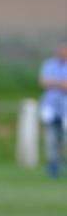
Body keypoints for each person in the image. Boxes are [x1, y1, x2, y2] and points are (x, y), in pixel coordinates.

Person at [39, 41, 67, 178]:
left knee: (65, 140)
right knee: (51, 139)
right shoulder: (49, 64)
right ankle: (52, 167)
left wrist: (53, 82)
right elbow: (43, 82)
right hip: (50, 108)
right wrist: (61, 83)